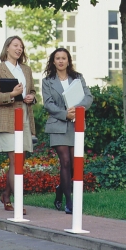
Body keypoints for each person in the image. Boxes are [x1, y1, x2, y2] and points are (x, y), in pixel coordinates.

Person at [0, 36, 36, 215]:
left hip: (24, 115)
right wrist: (12, 93)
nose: (19, 49)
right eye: (15, 45)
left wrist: (31, 97)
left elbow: (31, 91)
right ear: (7, 47)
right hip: (7, 117)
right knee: (15, 160)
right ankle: (18, 200)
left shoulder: (26, 70)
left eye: (21, 46)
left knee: (19, 161)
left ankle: (6, 195)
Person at [42, 48, 93, 214]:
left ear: (68, 60)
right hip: (57, 124)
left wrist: (77, 109)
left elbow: (88, 97)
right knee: (64, 162)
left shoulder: (77, 78)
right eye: (57, 58)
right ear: (53, 61)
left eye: (64, 58)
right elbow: (48, 104)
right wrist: (65, 114)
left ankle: (59, 190)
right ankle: (69, 202)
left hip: (75, 124)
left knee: (72, 165)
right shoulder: (47, 81)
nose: (61, 61)